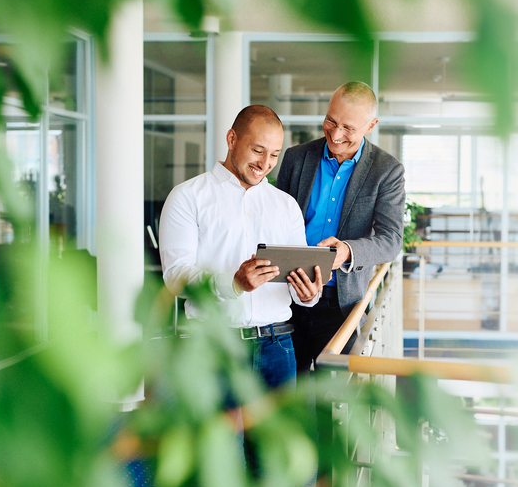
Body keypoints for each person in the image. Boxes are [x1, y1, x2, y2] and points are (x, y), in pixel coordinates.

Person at [158, 105, 324, 389]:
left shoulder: (285, 206)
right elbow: (176, 277)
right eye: (258, 151)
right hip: (213, 348)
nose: (265, 163)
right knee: (221, 436)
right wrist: (233, 283)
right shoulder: (187, 197)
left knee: (278, 436)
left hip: (278, 346)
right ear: (232, 139)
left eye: (274, 154)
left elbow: (298, 278)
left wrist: (309, 293)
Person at [277, 81, 406, 373]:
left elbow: (391, 240)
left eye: (348, 128)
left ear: (370, 125)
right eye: (330, 122)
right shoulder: (296, 158)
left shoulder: (387, 171)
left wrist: (348, 250)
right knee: (285, 397)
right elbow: (274, 221)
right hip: (286, 295)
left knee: (330, 402)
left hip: (341, 305)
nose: (335, 135)